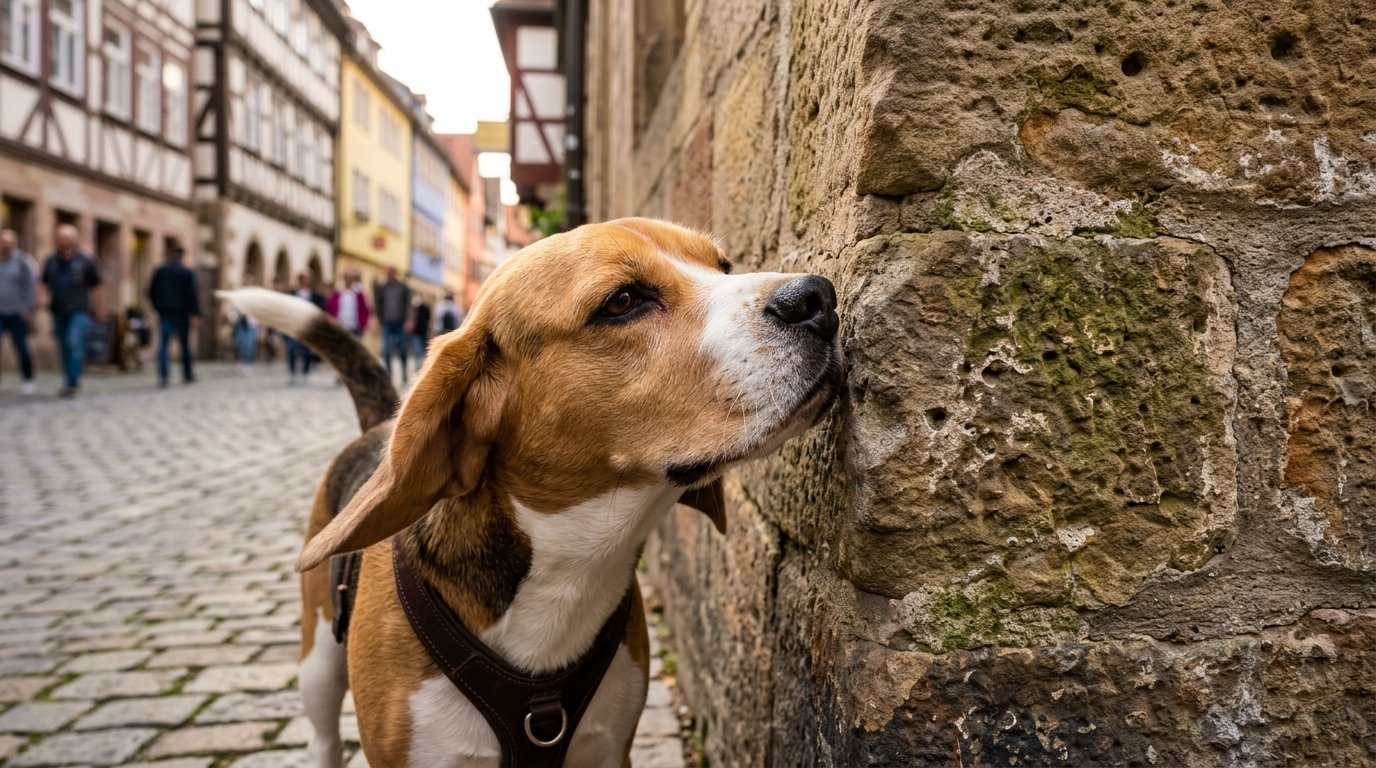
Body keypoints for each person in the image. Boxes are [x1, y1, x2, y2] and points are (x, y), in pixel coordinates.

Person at [40, 224, 103, 397]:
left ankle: (73, 382)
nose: (62, 241)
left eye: (66, 238)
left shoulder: (85, 260)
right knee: (64, 347)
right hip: (58, 309)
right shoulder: (51, 261)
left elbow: (96, 286)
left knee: (74, 342)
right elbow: (43, 282)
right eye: (59, 237)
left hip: (79, 309)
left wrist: (99, 308)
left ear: (74, 240)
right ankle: (68, 380)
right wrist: (41, 297)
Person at [147, 241, 200, 387]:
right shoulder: (186, 272)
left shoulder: (160, 270)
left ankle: (163, 376)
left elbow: (151, 292)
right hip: (181, 312)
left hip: (165, 311)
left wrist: (158, 307)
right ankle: (187, 373)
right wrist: (195, 313)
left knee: (164, 344)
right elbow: (192, 294)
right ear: (182, 255)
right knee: (184, 345)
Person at [0, 229, 36, 394]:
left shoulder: (23, 261)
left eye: (8, 241)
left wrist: (27, 308)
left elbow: (30, 286)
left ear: (14, 243)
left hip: (17, 312)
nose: (5, 244)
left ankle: (27, 379)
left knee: (21, 348)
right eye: (3, 241)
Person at [285, 273, 325, 385]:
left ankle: (305, 373)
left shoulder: (314, 295)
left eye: (306, 279)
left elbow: (319, 308)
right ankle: (292, 373)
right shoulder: (293, 293)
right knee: (292, 350)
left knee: (307, 352)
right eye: (302, 279)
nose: (304, 281)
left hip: (308, 326)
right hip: (294, 325)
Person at [374, 266, 411, 382]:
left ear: (395, 273)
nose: (389, 275)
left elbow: (408, 305)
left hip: (400, 321)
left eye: (391, 273)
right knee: (387, 349)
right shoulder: (382, 287)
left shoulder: (403, 287)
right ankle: (389, 373)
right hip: (386, 321)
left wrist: (409, 319)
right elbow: (378, 305)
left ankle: (404, 369)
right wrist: (377, 321)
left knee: (401, 348)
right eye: (387, 273)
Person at [327, 270, 370, 340]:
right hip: (340, 325)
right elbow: (330, 308)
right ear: (344, 278)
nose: (348, 280)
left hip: (355, 326)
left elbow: (365, 308)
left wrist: (364, 322)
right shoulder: (337, 293)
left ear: (353, 279)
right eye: (347, 277)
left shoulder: (359, 293)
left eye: (350, 278)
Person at [410, 297, 432, 363]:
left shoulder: (414, 309)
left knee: (417, 346)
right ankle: (421, 359)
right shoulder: (425, 308)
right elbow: (428, 317)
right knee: (421, 345)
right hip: (423, 330)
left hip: (417, 331)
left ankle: (419, 359)